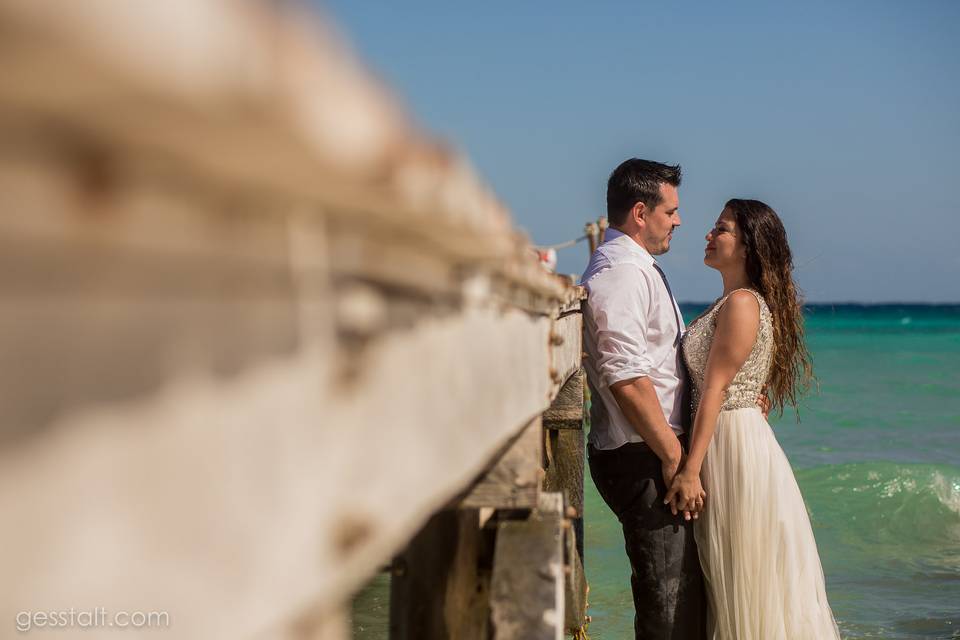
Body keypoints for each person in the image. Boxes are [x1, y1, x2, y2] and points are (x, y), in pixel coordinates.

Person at [665, 199, 840, 638]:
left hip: (731, 445)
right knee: (734, 581)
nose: (708, 235)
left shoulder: (742, 303)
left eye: (720, 229)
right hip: (728, 437)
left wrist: (689, 469)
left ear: (746, 246)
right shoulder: (730, 301)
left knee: (745, 578)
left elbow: (716, 389)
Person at [581, 158, 706, 639]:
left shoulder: (635, 268)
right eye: (670, 211)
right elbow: (626, 376)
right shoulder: (621, 273)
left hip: (648, 450)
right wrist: (675, 458)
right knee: (666, 601)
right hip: (641, 454)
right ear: (640, 212)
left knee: (677, 593)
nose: (677, 220)